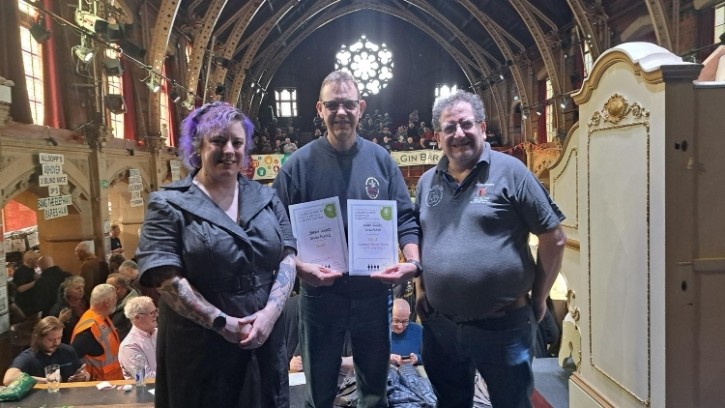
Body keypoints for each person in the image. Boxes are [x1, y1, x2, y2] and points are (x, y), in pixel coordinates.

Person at [273, 70, 421, 408]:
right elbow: (275, 232)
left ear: (361, 108)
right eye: (333, 105)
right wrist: (299, 267)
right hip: (320, 297)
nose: (341, 112)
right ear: (319, 109)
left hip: (373, 294)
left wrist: (411, 262)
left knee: (374, 392)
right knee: (319, 391)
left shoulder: (381, 160)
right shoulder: (296, 166)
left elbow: (405, 218)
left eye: (348, 105)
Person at [135, 101, 297, 408]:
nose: (229, 150)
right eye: (218, 141)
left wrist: (269, 315)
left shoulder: (266, 196)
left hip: (262, 339)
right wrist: (223, 323)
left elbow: (287, 256)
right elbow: (167, 280)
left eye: (237, 142)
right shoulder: (167, 203)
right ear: (198, 146)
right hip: (200, 348)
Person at [415, 90, 566, 408]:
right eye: (449, 128)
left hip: (502, 327)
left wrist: (539, 296)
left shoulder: (512, 172)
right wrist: (419, 288)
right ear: (437, 136)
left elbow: (554, 236)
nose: (458, 134)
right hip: (441, 325)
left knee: (511, 402)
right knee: (450, 402)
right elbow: (421, 237)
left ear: (482, 128)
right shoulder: (428, 181)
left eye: (466, 124)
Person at [3, 316, 89, 385]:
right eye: (51, 340)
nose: (56, 343)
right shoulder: (29, 357)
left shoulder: (67, 351)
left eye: (59, 338)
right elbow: (8, 379)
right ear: (39, 338)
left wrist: (83, 376)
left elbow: (85, 373)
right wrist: (45, 381)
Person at [70, 283, 123, 381]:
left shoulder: (102, 318)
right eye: (115, 298)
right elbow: (72, 358)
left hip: (113, 383)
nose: (117, 301)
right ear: (107, 302)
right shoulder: (87, 330)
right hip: (98, 389)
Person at [118, 296, 157, 380]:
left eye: (155, 311)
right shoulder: (129, 346)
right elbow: (144, 378)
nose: (156, 315)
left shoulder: (159, 333)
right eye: (151, 313)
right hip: (146, 392)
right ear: (137, 318)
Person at [49, 276, 88, 344]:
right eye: (77, 288)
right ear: (68, 291)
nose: (81, 290)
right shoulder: (58, 309)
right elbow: (50, 330)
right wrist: (60, 321)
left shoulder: (88, 302)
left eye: (82, 287)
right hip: (70, 342)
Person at [106, 273, 139, 341]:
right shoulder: (115, 301)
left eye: (108, 288)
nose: (106, 291)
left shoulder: (132, 308)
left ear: (118, 288)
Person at [390, 298, 422, 366]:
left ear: (409, 315)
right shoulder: (379, 333)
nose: (400, 326)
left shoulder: (418, 331)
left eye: (405, 321)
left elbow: (433, 357)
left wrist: (417, 358)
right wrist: (386, 359)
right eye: (396, 321)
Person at [13, 250, 40, 317]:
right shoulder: (20, 271)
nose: (38, 261)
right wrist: (36, 282)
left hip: (31, 304)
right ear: (31, 260)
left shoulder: (30, 270)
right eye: (36, 259)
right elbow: (20, 289)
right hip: (24, 305)